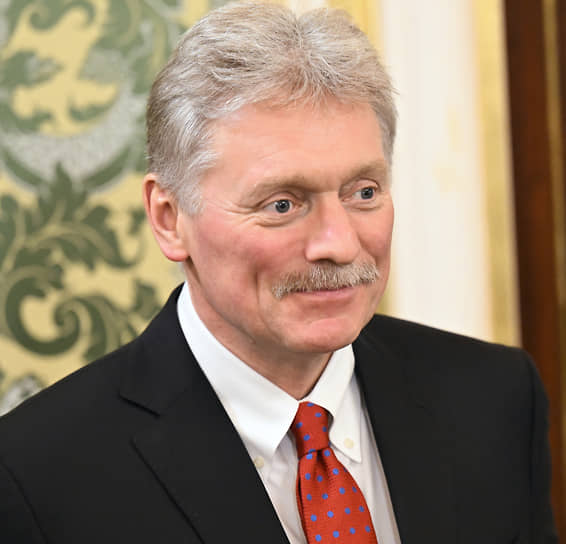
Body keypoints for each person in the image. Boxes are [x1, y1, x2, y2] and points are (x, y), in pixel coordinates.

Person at [0, 2, 557, 543]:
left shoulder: (496, 398)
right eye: (282, 204)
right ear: (170, 219)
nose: (339, 244)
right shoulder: (34, 476)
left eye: (363, 193)